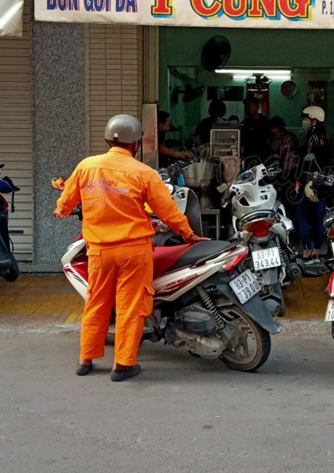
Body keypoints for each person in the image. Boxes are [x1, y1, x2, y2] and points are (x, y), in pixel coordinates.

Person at [54, 114, 207, 381]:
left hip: (98, 251)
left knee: (96, 303)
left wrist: (61, 210)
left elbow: (67, 202)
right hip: (134, 251)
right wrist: (188, 234)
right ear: (135, 144)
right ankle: (122, 365)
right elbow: (168, 211)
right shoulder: (143, 173)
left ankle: (86, 359)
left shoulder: (87, 166)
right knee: (130, 306)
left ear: (107, 140)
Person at [296, 105, 331, 257]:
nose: (304, 122)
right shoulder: (325, 137)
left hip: (310, 181)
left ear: (314, 121)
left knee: (301, 215)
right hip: (323, 181)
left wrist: (298, 180)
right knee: (319, 217)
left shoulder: (312, 137)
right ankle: (317, 249)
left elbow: (306, 161)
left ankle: (306, 250)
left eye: (306, 119)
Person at [267, 115, 300, 207]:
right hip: (296, 167)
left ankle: (285, 208)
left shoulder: (277, 138)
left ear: (275, 128)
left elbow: (273, 153)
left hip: (285, 169)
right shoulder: (291, 135)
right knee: (292, 192)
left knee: (284, 192)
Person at [240, 96, 271, 166]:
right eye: (246, 106)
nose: (248, 108)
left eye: (250, 106)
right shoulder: (245, 123)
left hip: (262, 155)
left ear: (257, 106)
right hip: (249, 156)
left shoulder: (265, 122)